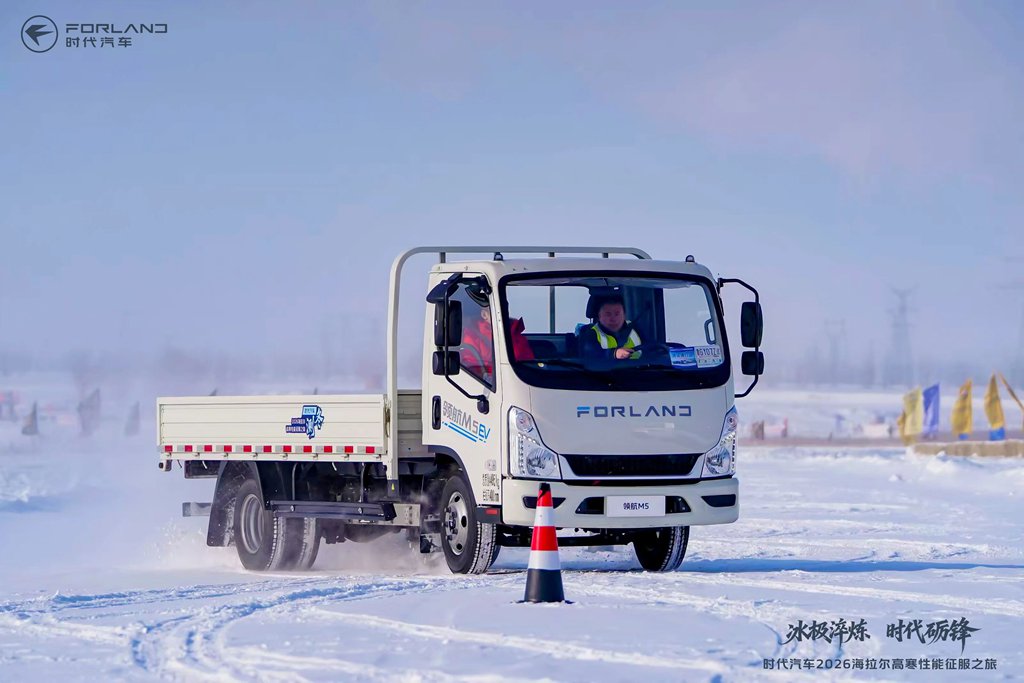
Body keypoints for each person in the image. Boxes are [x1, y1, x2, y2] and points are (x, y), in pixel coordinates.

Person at [580, 296, 642, 360]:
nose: (613, 319)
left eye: (617, 314)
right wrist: (614, 353)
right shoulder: (590, 334)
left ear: (624, 315)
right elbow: (590, 354)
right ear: (599, 316)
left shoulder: (635, 328)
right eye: (608, 314)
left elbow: (650, 349)